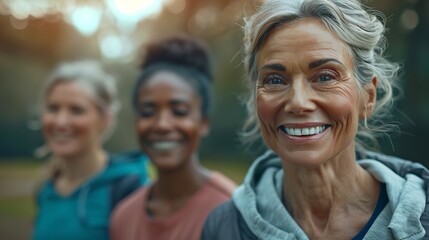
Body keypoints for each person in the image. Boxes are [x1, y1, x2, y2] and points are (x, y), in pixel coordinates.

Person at [202, 0, 429, 239]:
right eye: (275, 80)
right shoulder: (224, 228)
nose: (298, 102)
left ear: (368, 97)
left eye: (325, 77)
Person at [109, 35, 237, 240]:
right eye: (148, 111)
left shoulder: (231, 212)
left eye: (179, 111)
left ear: (203, 123)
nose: (162, 124)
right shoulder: (123, 217)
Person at [32, 60, 149, 240]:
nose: (61, 122)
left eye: (76, 110)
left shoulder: (129, 190)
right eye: (53, 109)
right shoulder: (45, 190)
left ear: (105, 119)